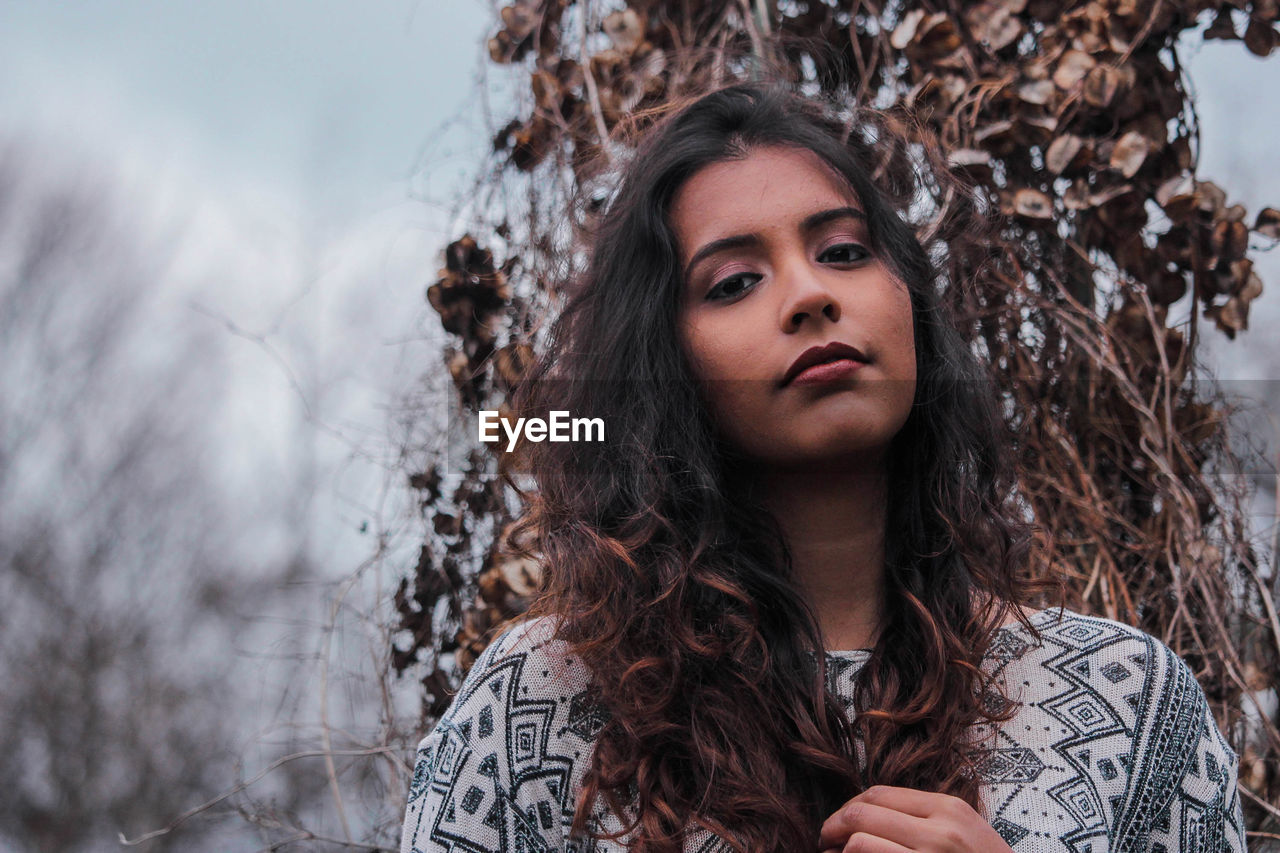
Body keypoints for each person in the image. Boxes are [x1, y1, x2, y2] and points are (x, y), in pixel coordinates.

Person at [399, 82, 1245, 852]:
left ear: (909, 301)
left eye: (843, 252)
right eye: (733, 282)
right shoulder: (540, 707)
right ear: (665, 367)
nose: (809, 293)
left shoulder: (1129, 705)